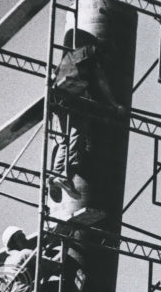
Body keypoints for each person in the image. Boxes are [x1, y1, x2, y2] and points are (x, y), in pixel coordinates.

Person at [49, 34, 128, 201]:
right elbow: (101, 82)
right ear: (102, 51)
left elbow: (54, 76)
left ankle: (56, 175)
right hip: (73, 99)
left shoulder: (72, 55)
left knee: (64, 139)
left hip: (56, 98)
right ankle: (65, 176)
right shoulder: (91, 58)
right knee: (76, 137)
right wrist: (116, 105)